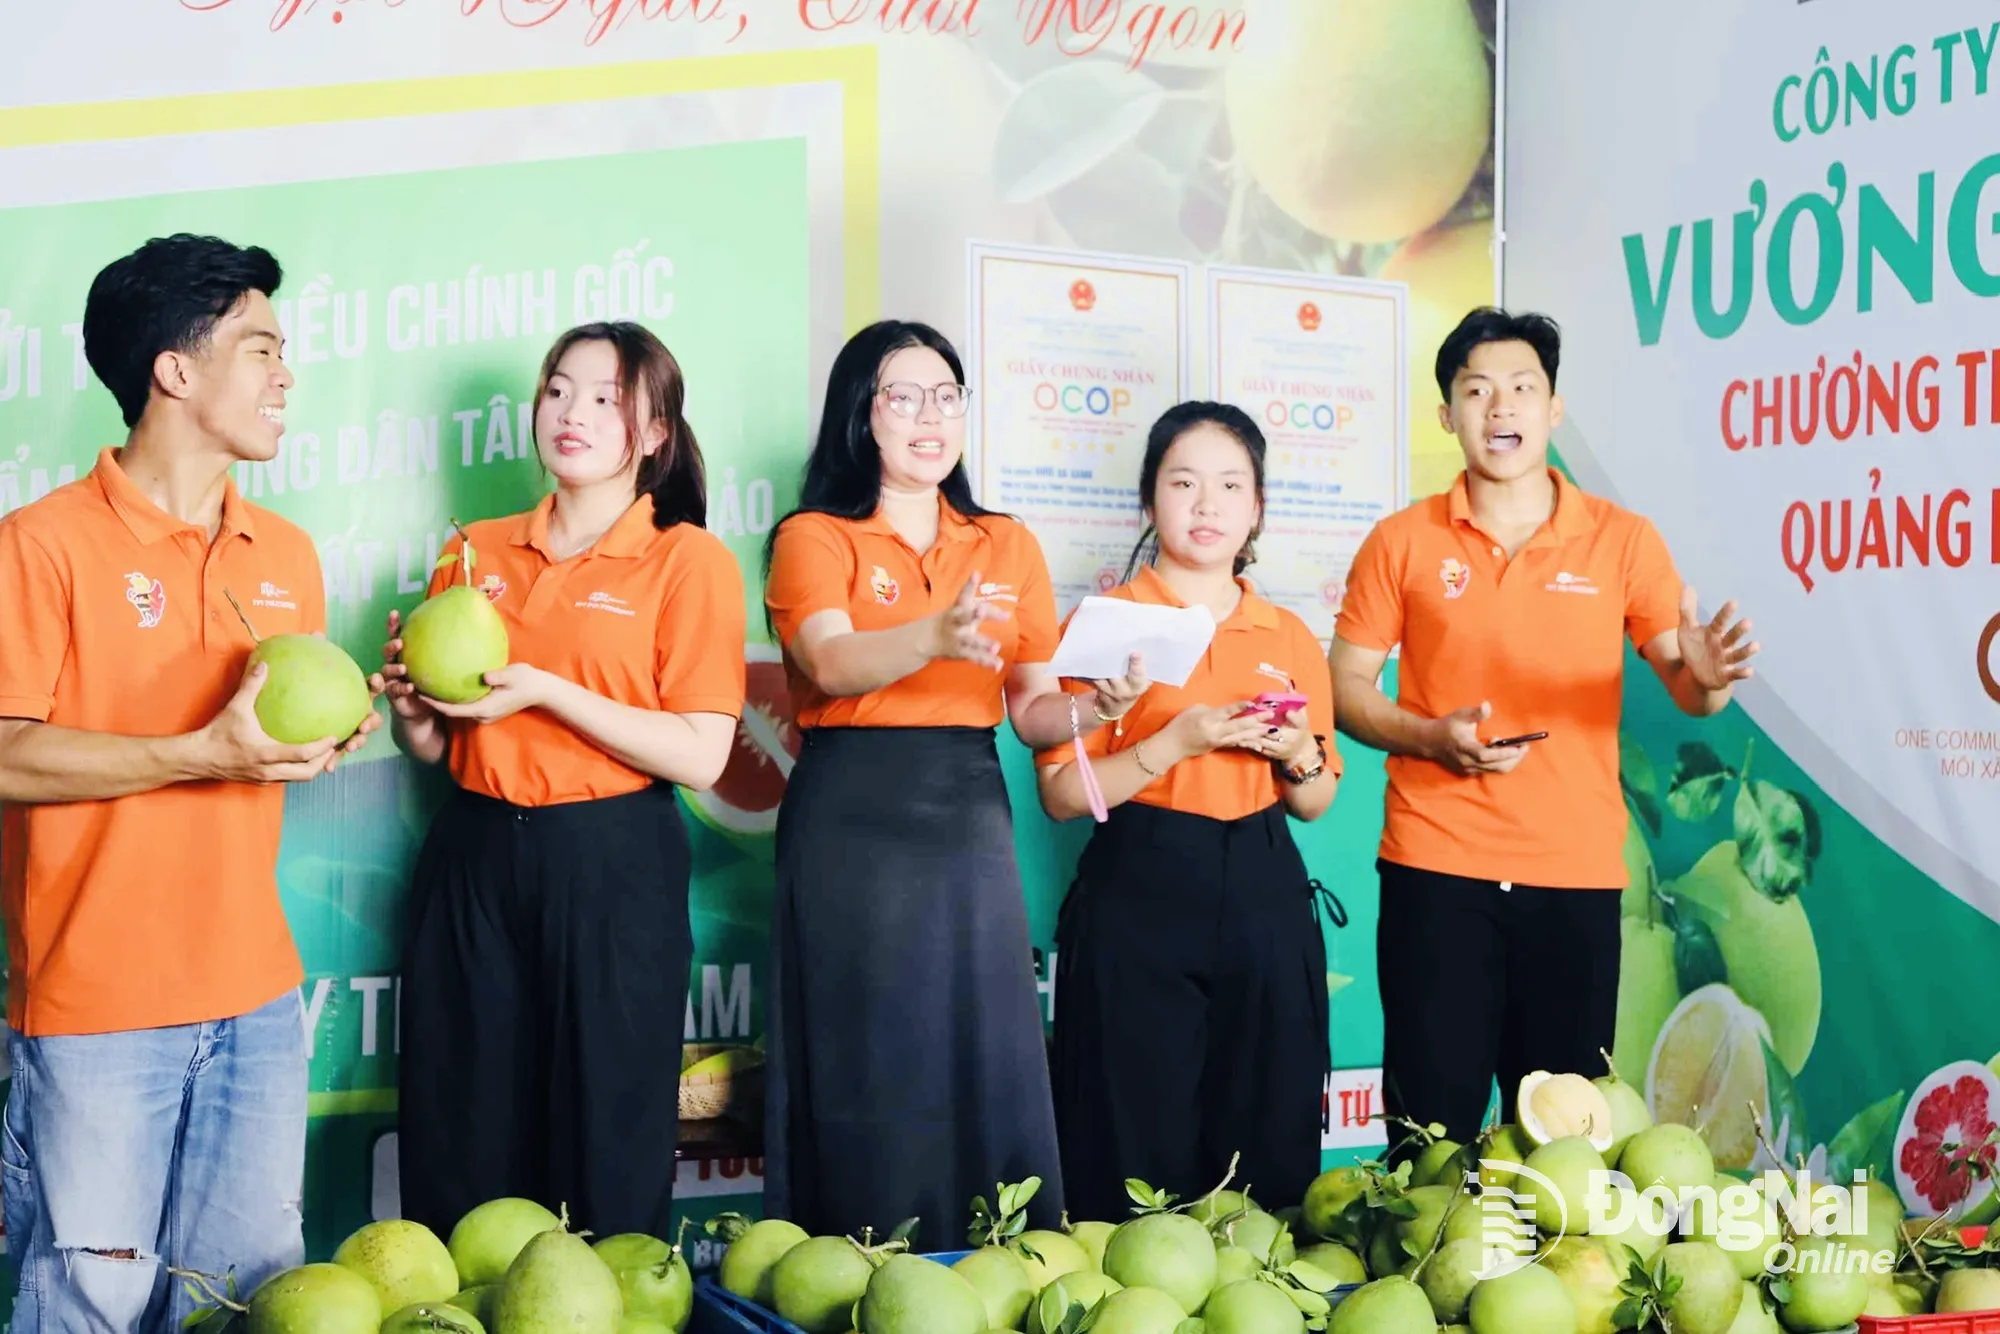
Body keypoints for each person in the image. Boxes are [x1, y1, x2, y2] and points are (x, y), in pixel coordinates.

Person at [0, 233, 381, 1333]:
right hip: (96, 1000)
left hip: (257, 996)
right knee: (89, 1298)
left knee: (250, 1296)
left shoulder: (287, 553)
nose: (285, 374)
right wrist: (198, 754)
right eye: (260, 347)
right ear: (173, 368)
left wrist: (315, 741)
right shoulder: (41, 547)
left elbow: (264, 732)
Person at [1328, 307, 1759, 1149]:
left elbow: (1687, 684)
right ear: (1447, 414)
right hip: (1436, 868)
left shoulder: (1622, 541)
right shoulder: (1401, 542)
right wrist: (1428, 736)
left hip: (1575, 877)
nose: (1502, 408)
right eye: (1477, 390)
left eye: (1523, 389)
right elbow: (1344, 688)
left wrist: (1706, 678)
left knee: (1565, 1142)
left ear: (1553, 410)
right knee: (1430, 1131)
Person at [759, 319, 1146, 1253]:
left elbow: (1032, 709)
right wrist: (933, 637)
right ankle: (864, 1265)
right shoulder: (813, 535)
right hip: (850, 812)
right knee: (866, 1052)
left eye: (947, 396)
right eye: (903, 396)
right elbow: (831, 659)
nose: (930, 417)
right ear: (861, 415)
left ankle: (993, 1262)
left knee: (985, 1045)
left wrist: (1102, 708)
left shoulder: (1004, 543)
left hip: (966, 807)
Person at [384, 321, 746, 1241]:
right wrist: (413, 709)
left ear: (655, 431)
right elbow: (438, 749)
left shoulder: (687, 559)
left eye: (605, 397)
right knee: (460, 1121)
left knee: (606, 1129)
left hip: (612, 860)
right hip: (474, 851)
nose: (572, 413)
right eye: (557, 390)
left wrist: (548, 692)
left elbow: (702, 754)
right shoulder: (474, 553)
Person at [1034, 401, 1340, 1221]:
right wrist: (1177, 741)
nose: (1207, 506)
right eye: (1184, 482)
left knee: (1268, 1141)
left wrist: (1295, 752)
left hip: (1265, 893)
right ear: (1148, 500)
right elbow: (1062, 795)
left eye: (1230, 485)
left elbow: (1314, 800)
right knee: (1131, 1145)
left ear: (1257, 510)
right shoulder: (1104, 627)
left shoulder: (1289, 633)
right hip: (1138, 892)